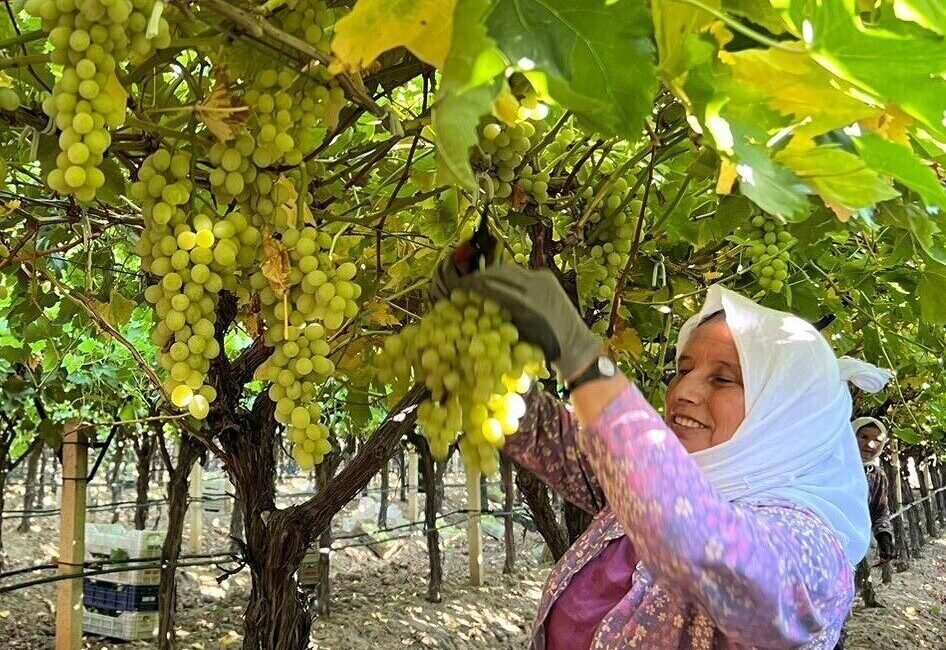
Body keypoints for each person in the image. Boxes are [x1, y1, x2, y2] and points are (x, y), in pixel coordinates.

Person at [431, 262, 893, 649]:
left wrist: (578, 354)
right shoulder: (650, 484)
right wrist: (470, 356)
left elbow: (706, 547)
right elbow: (552, 437)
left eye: (723, 379)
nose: (683, 392)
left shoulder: (812, 552)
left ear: (785, 411)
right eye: (683, 369)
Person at [852, 417, 896, 564]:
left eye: (877, 440)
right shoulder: (834, 466)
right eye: (863, 436)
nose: (870, 444)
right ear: (851, 435)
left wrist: (885, 537)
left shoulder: (876, 475)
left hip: (858, 544)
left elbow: (880, 511)